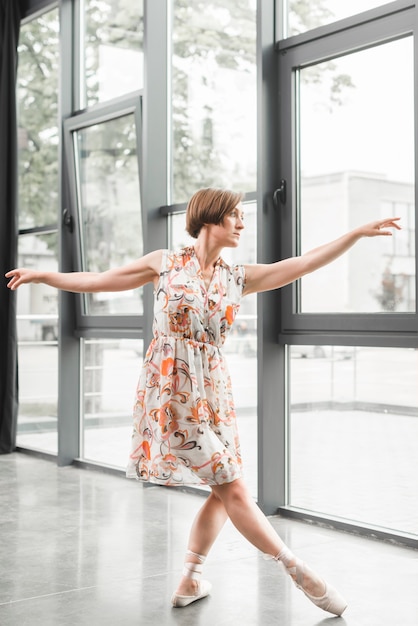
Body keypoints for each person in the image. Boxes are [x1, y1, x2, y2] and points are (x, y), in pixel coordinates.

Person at [6, 187, 401, 615]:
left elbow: (302, 264)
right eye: (235, 215)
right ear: (211, 217)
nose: (242, 223)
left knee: (221, 490)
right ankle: (297, 569)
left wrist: (355, 234)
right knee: (231, 486)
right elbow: (99, 279)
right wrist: (44, 276)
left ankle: (191, 578)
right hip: (173, 391)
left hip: (213, 393)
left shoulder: (237, 278)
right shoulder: (165, 263)